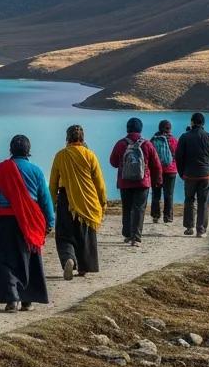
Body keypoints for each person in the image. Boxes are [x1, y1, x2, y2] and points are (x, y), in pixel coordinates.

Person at [0, 134, 55, 311]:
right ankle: (27, 300)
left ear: (11, 150)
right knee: (28, 258)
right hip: (30, 221)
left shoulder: (0, 170)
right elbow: (45, 199)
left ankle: (12, 299)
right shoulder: (36, 171)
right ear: (28, 151)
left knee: (6, 259)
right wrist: (50, 222)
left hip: (5, 221)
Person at [48, 124, 107, 279]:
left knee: (64, 235)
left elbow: (53, 183)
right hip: (88, 199)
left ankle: (69, 258)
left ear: (67, 138)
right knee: (84, 234)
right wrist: (102, 202)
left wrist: (50, 205)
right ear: (82, 138)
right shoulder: (90, 155)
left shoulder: (60, 155)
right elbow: (99, 183)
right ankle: (83, 268)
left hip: (65, 200)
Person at [109, 117, 163, 247]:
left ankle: (127, 234)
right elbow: (156, 165)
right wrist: (157, 180)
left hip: (125, 182)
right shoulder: (147, 144)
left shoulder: (121, 144)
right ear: (140, 129)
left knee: (127, 208)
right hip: (142, 183)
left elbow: (113, 162)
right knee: (139, 209)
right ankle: (136, 238)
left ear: (127, 128)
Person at [174, 112, 209, 237]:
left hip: (189, 175)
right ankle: (200, 230)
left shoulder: (184, 137)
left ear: (192, 122)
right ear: (203, 123)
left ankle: (189, 227)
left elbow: (178, 157)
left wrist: (181, 172)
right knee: (204, 201)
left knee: (189, 200)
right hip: (206, 175)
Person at [150, 120, 179, 225]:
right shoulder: (174, 141)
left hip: (156, 170)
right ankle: (168, 217)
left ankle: (155, 216)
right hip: (171, 171)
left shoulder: (153, 140)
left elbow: (149, 156)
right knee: (169, 194)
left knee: (156, 194)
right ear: (169, 129)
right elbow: (178, 156)